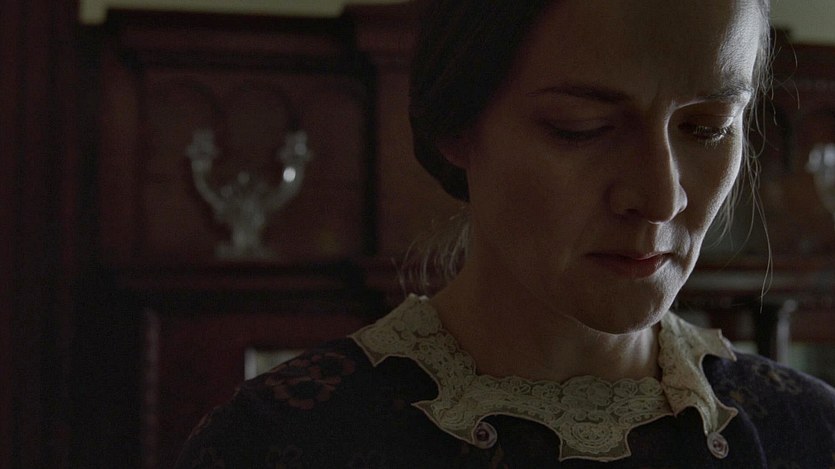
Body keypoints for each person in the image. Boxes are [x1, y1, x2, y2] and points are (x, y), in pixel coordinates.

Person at [176, 0, 835, 467]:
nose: (661, 197)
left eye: (706, 128)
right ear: (457, 124)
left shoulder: (809, 435)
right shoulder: (277, 441)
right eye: (581, 128)